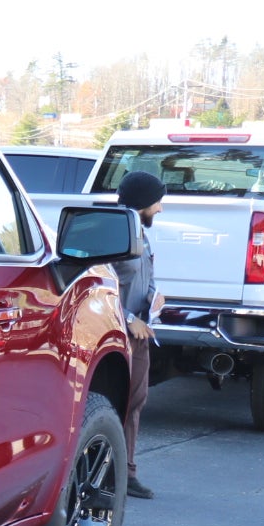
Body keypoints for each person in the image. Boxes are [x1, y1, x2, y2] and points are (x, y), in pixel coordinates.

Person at [114, 170, 163, 499]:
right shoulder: (114, 233)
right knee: (112, 404)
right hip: (114, 333)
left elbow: (146, 277)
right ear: (143, 201)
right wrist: (129, 317)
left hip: (142, 334)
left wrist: (153, 298)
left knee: (135, 402)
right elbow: (98, 282)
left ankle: (127, 473)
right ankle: (107, 470)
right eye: (157, 201)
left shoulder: (140, 234)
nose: (160, 209)